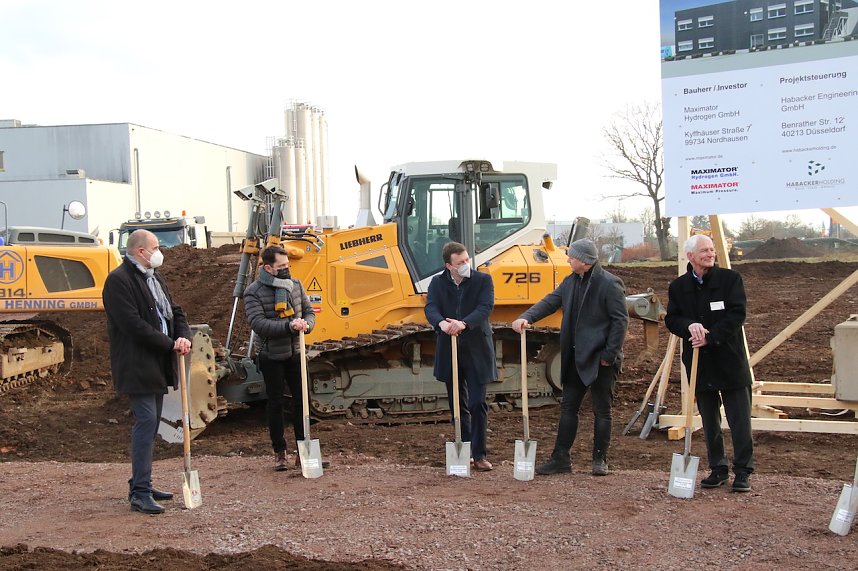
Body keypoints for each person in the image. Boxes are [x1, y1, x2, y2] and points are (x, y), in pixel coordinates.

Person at [512, 239, 628, 476]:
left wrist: (609, 355)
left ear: (584, 261)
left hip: (600, 359)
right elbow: (550, 302)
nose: (568, 260)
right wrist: (527, 317)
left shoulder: (609, 284)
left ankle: (599, 460)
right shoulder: (570, 282)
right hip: (575, 357)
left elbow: (620, 321)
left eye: (572, 257)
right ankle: (561, 458)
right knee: (568, 408)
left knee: (602, 410)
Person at [103, 229, 192, 515]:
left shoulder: (153, 278)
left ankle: (141, 482)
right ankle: (140, 492)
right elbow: (133, 325)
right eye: (156, 247)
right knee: (147, 421)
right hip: (136, 364)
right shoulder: (118, 281)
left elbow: (175, 311)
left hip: (156, 363)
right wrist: (169, 344)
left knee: (152, 424)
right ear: (141, 251)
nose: (159, 251)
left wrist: (183, 337)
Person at [665, 234, 754, 492]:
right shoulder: (679, 287)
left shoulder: (730, 280)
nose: (710, 254)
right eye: (704, 250)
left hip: (729, 361)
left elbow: (737, 314)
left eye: (712, 250)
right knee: (709, 419)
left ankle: (742, 471)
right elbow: (672, 319)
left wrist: (711, 337)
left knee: (739, 420)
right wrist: (688, 325)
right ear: (690, 256)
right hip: (699, 363)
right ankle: (718, 468)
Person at [424, 241, 496, 471]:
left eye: (467, 260)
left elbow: (485, 307)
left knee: (477, 403)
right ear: (449, 266)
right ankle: (463, 449)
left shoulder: (482, 280)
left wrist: (464, 323)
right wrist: (441, 323)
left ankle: (479, 453)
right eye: (460, 262)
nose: (466, 265)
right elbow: (431, 307)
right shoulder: (437, 283)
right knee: (458, 405)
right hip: (450, 350)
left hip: (477, 350)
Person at [244, 245, 316, 471]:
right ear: (268, 268)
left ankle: (303, 452)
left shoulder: (296, 285)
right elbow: (258, 324)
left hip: (295, 352)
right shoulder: (253, 292)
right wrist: (289, 325)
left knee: (302, 402)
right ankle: (280, 453)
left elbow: (309, 312)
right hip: (270, 355)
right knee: (275, 403)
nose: (287, 269)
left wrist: (306, 324)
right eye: (281, 266)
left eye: (288, 265)